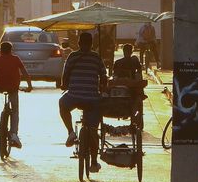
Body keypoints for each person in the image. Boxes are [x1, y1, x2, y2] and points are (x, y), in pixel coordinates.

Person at [59, 31, 107, 173]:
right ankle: (93, 162)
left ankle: (71, 133)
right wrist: (102, 87)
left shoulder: (73, 56)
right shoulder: (96, 57)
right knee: (93, 131)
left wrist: (64, 85)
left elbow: (65, 75)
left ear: (79, 43)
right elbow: (103, 76)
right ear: (91, 44)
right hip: (93, 99)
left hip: (74, 96)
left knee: (62, 104)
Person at [0, 41, 32, 148]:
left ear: (0, 51)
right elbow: (25, 73)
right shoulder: (16, 59)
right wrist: (29, 86)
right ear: (11, 50)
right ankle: (14, 134)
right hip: (13, 89)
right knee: (15, 110)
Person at [112, 43, 146, 127]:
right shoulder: (135, 61)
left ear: (124, 52)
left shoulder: (118, 62)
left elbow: (114, 76)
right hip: (131, 87)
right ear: (131, 52)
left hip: (119, 86)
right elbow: (139, 74)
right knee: (137, 96)